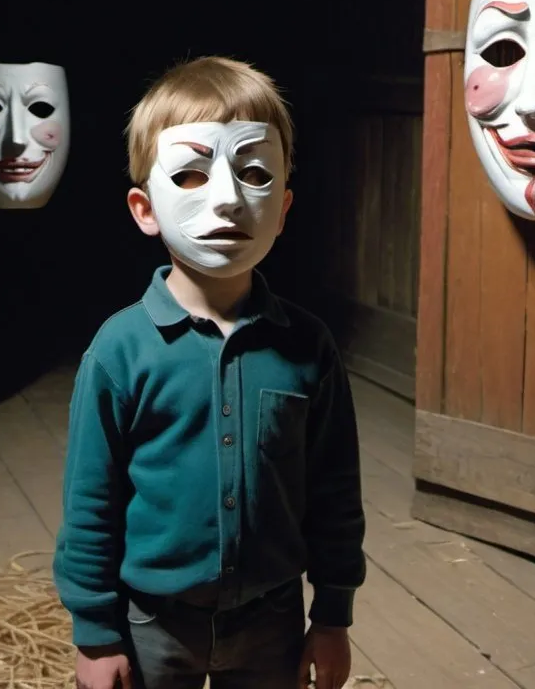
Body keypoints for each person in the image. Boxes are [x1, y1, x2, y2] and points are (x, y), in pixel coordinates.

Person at [54, 56, 366, 689]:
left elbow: (335, 491)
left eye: (252, 172)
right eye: (191, 174)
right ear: (145, 209)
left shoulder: (309, 347)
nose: (226, 197)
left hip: (273, 621)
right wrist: (95, 632)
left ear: (281, 208)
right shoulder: (119, 351)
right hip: (153, 625)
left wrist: (332, 616)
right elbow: (91, 501)